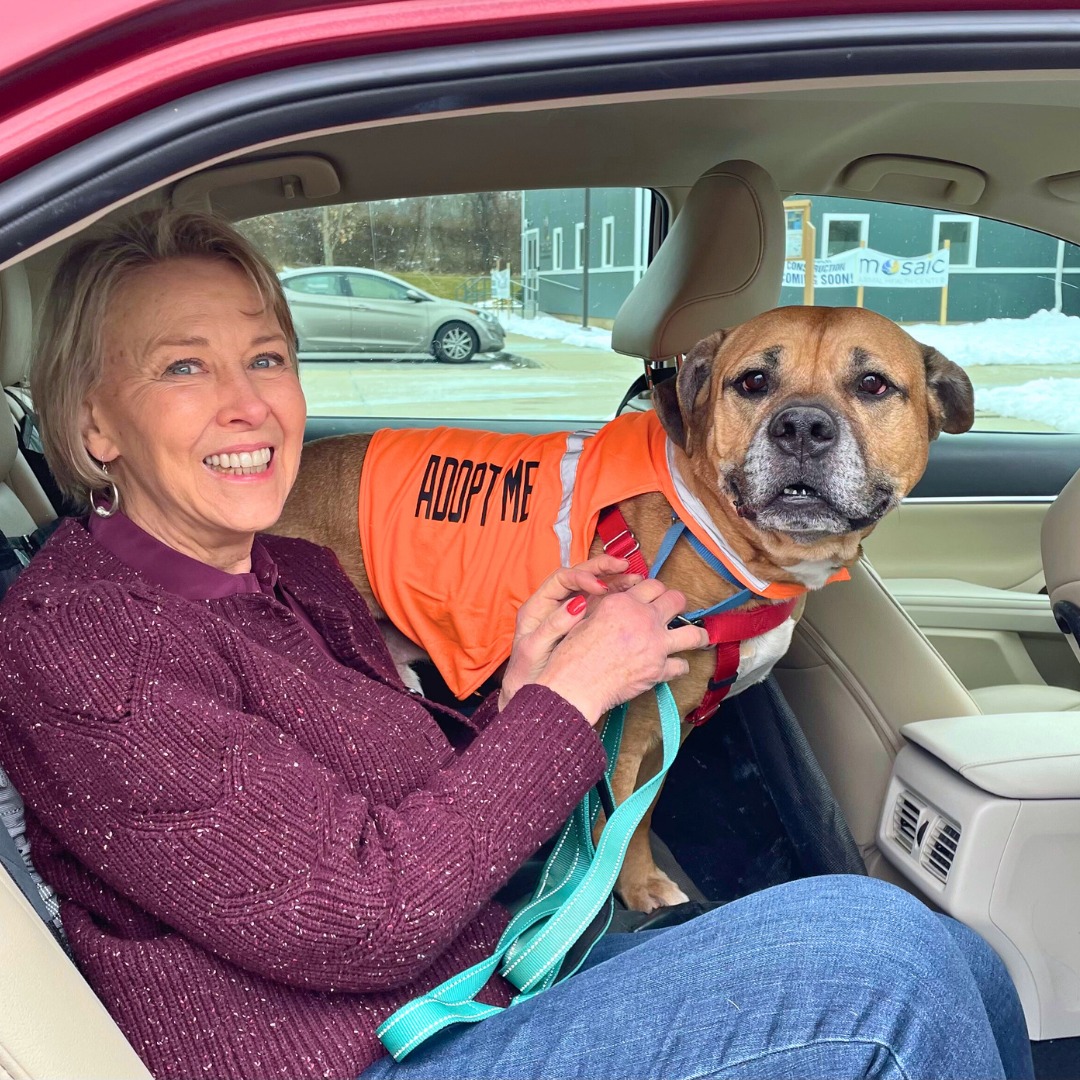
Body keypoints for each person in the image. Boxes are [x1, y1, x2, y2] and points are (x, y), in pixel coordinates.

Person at [0, 209, 1033, 1080]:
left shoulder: (289, 576)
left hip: (484, 982)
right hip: (365, 1055)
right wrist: (565, 704)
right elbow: (363, 916)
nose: (248, 402)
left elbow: (392, 817)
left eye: (267, 357)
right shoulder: (85, 644)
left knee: (952, 956)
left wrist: (513, 701)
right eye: (186, 365)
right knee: (885, 962)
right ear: (97, 424)